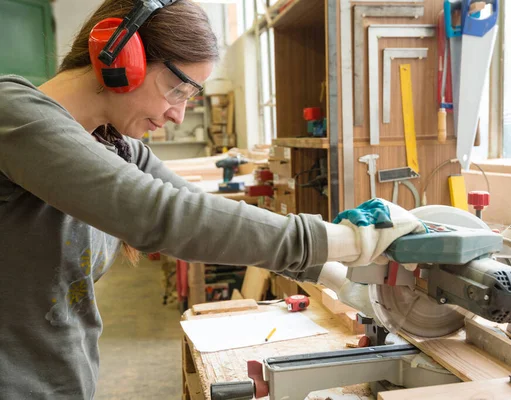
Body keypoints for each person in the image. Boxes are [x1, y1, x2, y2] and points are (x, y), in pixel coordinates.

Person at [0, 0, 423, 398]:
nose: (177, 115)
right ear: (119, 58)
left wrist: (338, 276)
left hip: (65, 376)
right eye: (177, 90)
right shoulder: (12, 114)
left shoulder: (118, 146)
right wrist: (355, 239)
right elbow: (161, 216)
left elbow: (197, 210)